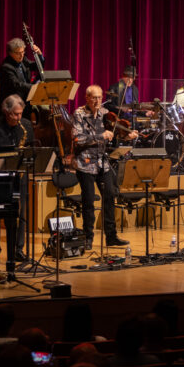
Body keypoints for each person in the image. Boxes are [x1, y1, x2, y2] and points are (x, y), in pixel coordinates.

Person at [72, 85, 129, 247]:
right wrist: (100, 136)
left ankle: (111, 237)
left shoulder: (105, 114)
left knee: (110, 196)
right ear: (87, 98)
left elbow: (115, 132)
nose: (97, 101)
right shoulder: (79, 114)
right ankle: (88, 238)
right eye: (94, 97)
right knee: (88, 201)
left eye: (99, 97)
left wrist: (127, 134)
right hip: (85, 163)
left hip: (102, 163)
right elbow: (78, 139)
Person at [0, 94, 33, 265]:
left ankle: (19, 250)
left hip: (19, 177)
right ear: (5, 112)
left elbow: (29, 150)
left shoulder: (25, 125)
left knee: (22, 215)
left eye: (20, 114)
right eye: (15, 114)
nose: (19, 118)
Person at [0, 37, 45, 118]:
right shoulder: (6, 67)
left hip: (25, 102)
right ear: (10, 53)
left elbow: (37, 66)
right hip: (12, 106)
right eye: (18, 53)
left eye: (23, 52)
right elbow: (17, 84)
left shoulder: (23, 60)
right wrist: (34, 87)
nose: (21, 55)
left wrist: (40, 55)